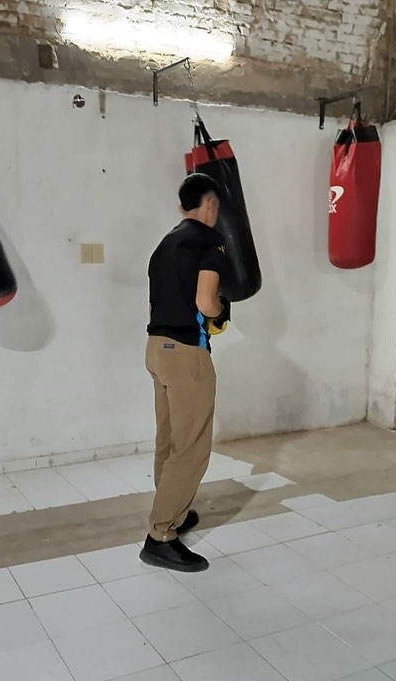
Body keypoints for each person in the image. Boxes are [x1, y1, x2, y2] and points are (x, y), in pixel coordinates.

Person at [140, 173, 231, 572]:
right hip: (186, 354)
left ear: (182, 207)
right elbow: (206, 302)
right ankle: (161, 535)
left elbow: (154, 304)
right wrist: (222, 310)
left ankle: (173, 512)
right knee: (191, 447)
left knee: (168, 438)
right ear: (210, 204)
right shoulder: (209, 242)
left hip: (156, 348)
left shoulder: (164, 245)